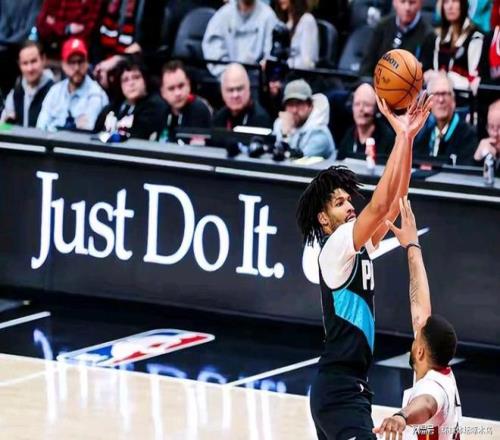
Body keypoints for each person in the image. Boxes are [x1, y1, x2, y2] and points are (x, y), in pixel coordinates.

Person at [296, 93, 432, 440]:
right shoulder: (336, 245)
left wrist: (408, 139)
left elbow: (395, 202)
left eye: (348, 200)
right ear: (323, 218)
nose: (349, 206)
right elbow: (380, 204)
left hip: (347, 387)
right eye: (339, 203)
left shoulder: (355, 246)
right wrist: (400, 136)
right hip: (339, 391)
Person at [374, 197, 462, 439]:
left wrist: (402, 416)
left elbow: (426, 404)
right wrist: (412, 246)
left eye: (416, 339)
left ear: (421, 351)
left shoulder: (434, 387)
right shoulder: (438, 370)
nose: (414, 338)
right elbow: (420, 307)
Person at [37, 38, 108, 132]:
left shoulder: (96, 94)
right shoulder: (55, 91)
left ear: (87, 62)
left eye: (80, 61)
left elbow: (85, 133)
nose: (77, 68)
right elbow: (40, 127)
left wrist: (54, 127)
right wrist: (74, 125)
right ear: (63, 65)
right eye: (71, 62)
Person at [202, 0, 278, 79]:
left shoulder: (268, 16)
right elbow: (213, 52)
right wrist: (230, 74)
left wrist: (266, 67)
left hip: (257, 78)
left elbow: (272, 54)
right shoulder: (222, 16)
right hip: (226, 77)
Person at [94, 58, 166, 140]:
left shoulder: (155, 106)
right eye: (125, 80)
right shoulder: (111, 108)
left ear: (145, 80)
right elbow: (94, 135)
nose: (131, 83)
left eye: (136, 77)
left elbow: (139, 137)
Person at [414, 72, 477, 165]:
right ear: (429, 102)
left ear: (453, 100)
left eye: (444, 94)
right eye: (436, 94)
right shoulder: (422, 133)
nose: (441, 100)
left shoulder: (468, 135)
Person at [421, 0, 484, 92]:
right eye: (446, 2)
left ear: (463, 5)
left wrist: (446, 78)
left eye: (454, 1)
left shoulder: (476, 37)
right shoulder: (438, 38)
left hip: (463, 97)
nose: (450, 7)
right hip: (438, 95)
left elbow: (474, 80)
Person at [360, 0, 434, 77]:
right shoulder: (382, 26)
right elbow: (366, 66)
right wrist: (367, 81)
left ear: (421, 3)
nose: (407, 8)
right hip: (377, 81)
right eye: (402, 2)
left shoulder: (429, 36)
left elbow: (427, 74)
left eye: (412, 2)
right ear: (394, 2)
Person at [273, 79, 335, 159]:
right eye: (290, 104)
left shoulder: (320, 134)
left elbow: (295, 161)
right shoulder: (281, 124)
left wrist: (285, 136)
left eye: (299, 104)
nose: (294, 110)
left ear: (310, 105)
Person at [1, 41, 54, 127]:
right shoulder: (15, 93)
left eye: (33, 61)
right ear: (19, 65)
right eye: (25, 63)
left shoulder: (55, 92)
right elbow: (2, 128)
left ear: (43, 60)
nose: (30, 68)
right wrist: (8, 124)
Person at [338, 83, 395, 161]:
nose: (361, 109)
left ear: (376, 109)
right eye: (357, 104)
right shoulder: (348, 136)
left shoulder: (387, 138)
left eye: (367, 105)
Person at [159, 60, 212, 144]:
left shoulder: (199, 109)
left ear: (188, 85)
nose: (178, 93)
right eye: (171, 88)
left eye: (181, 86)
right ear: (163, 93)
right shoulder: (159, 110)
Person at [212, 63, 272, 129]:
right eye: (230, 90)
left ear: (248, 88)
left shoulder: (261, 119)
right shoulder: (218, 119)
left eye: (239, 89)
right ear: (222, 91)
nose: (235, 95)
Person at [36, 0, 103, 55]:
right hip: (49, 48)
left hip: (76, 51)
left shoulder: (95, 2)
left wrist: (55, 24)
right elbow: (41, 23)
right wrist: (66, 28)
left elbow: (87, 29)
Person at [274, 0, 319, 69]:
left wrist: (285, 65)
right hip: (283, 71)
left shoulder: (307, 20)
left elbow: (306, 62)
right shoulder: (283, 23)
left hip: (299, 73)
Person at [474, 99, 500, 175]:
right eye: (491, 127)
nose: (495, 134)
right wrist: (478, 159)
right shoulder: (486, 149)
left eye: (499, 127)